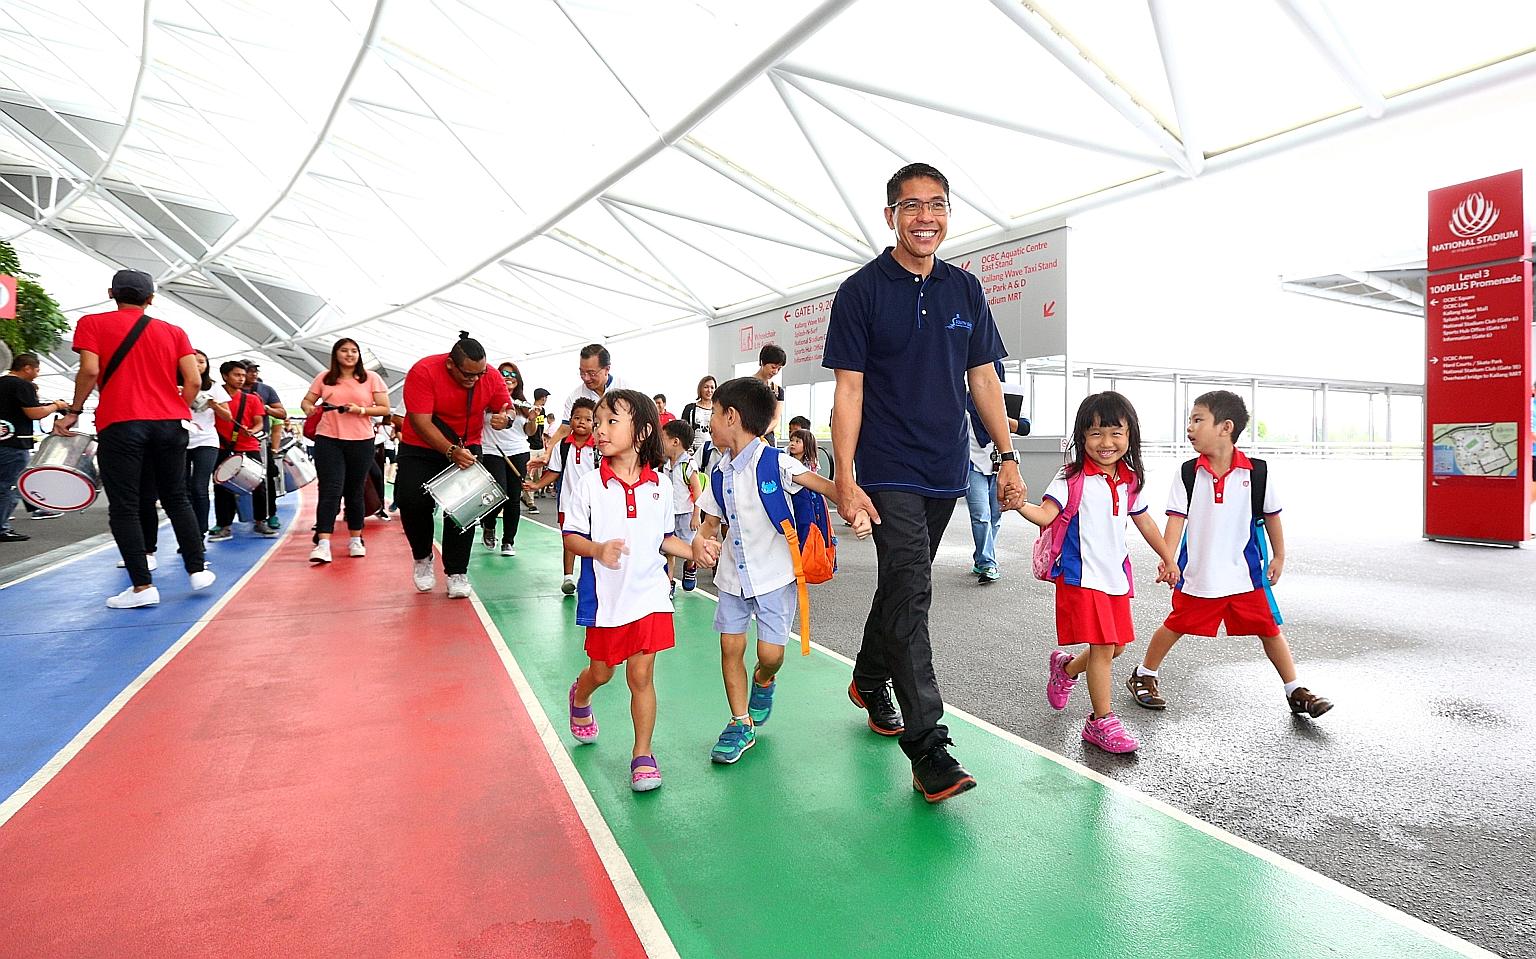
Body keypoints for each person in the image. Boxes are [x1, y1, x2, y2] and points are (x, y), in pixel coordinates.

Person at [822, 162, 1023, 803]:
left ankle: (868, 675)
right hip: (886, 468)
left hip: (946, 466)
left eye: (936, 205)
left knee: (901, 586)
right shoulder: (860, 292)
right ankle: (928, 748)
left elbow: (983, 378)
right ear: (890, 216)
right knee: (913, 590)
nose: (925, 217)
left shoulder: (965, 289)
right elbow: (848, 392)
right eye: (911, 206)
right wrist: (845, 479)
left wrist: (1007, 455)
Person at [1127, 390, 1335, 720]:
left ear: (1226, 427)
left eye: (1198, 420)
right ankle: (1144, 674)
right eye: (1190, 420)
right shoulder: (1188, 473)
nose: (1190, 427)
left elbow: (1272, 517)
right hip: (1200, 574)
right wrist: (1169, 560)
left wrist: (1279, 556)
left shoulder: (1257, 472)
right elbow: (1176, 520)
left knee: (1269, 629)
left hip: (1245, 574)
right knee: (1176, 624)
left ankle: (1294, 689)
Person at [693, 377, 859, 765]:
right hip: (732, 578)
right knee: (730, 647)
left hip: (774, 577)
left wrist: (857, 507)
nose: (709, 422)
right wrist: (702, 541)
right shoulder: (718, 471)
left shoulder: (776, 462)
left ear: (731, 416)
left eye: (713, 414)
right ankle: (740, 723)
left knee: (770, 654)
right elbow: (710, 522)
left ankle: (764, 678)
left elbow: (827, 487)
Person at [1017, 392, 1181, 754]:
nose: (1106, 442)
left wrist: (1168, 558)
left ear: (1129, 436)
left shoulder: (1129, 479)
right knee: (1104, 646)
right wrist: (1018, 504)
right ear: (1082, 437)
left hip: (1115, 576)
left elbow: (1145, 522)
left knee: (1116, 647)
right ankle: (1100, 721)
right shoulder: (1071, 477)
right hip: (1081, 576)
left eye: (1115, 433)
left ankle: (1066, 670)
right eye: (1096, 434)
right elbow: (1046, 515)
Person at [561, 390, 697, 793]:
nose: (600, 430)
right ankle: (580, 695)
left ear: (642, 432)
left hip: (650, 595)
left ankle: (643, 754)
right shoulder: (590, 485)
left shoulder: (661, 486)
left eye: (610, 422)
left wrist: (695, 551)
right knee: (603, 672)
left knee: (641, 675)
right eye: (597, 422)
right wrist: (597, 550)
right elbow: (571, 537)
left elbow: (665, 538)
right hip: (607, 600)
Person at [53, 269, 214, 607]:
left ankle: (142, 587)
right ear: (150, 299)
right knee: (177, 497)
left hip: (121, 422)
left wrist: (75, 410)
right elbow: (194, 381)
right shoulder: (174, 331)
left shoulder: (92, 324)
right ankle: (197, 569)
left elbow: (91, 370)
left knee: (125, 504)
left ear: (111, 293)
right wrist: (176, 407)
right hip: (169, 424)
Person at [395, 332, 512, 597]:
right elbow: (421, 422)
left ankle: (457, 571)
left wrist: (506, 418)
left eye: (480, 373)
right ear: (451, 364)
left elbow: (506, 408)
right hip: (421, 446)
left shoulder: (490, 376)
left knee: (465, 509)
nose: (475, 379)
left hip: (467, 444)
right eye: (468, 374)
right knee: (411, 501)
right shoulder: (423, 371)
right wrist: (450, 451)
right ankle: (422, 556)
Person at [300, 338, 390, 564]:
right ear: (335, 354)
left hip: (361, 441)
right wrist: (309, 408)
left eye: (354, 351)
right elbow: (307, 401)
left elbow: (384, 408)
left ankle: (356, 539)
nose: (349, 355)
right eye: (344, 350)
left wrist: (361, 410)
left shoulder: (371, 378)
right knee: (330, 490)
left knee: (355, 490)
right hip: (328, 439)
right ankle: (323, 543)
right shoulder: (324, 377)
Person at [524, 397, 599, 595]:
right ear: (570, 420)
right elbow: (554, 472)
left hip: (595, 506)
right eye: (577, 418)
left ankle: (589, 577)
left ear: (595, 423)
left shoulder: (599, 447)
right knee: (569, 540)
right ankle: (568, 577)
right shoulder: (562, 446)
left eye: (588, 419)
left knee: (592, 540)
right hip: (568, 504)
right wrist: (536, 485)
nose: (582, 422)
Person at [0, 352, 70, 541]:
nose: (37, 374)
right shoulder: (22, 385)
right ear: (27, 368)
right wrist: (56, 406)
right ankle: (1, 528)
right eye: (37, 370)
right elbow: (34, 413)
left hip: (3, 439)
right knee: (10, 486)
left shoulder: (2, 382)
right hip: (15, 443)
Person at [963, 364, 1020, 585]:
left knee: (996, 516)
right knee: (980, 515)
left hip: (1000, 465)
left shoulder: (1008, 398)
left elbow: (1025, 426)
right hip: (971, 464)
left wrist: (1000, 420)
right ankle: (988, 562)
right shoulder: (962, 398)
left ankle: (982, 557)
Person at [209, 360, 273, 541]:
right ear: (225, 376)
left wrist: (252, 430)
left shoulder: (252, 399)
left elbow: (259, 423)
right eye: (237, 375)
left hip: (248, 446)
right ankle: (224, 525)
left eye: (243, 375)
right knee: (221, 486)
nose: (241, 379)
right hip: (222, 446)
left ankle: (261, 521)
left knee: (258, 484)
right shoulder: (213, 398)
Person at [479, 361, 536, 557]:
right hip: (491, 451)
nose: (508, 377)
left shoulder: (523, 404)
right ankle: (489, 525)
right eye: (503, 373)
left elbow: (530, 432)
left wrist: (532, 419)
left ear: (518, 380)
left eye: (512, 374)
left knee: (513, 498)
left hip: (518, 452)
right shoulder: (487, 399)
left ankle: (508, 541)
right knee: (498, 494)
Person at [535, 343, 627, 461]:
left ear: (607, 369)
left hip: (622, 456)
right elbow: (564, 429)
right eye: (582, 372)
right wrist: (547, 453)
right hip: (590, 459)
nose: (586, 378)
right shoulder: (575, 396)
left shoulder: (625, 389)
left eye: (592, 373)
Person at [241, 360, 287, 533]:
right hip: (232, 441)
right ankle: (225, 522)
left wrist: (266, 408)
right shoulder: (228, 391)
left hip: (259, 442)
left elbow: (282, 414)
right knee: (225, 482)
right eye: (249, 371)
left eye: (255, 371)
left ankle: (269, 514)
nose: (253, 374)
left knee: (265, 479)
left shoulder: (266, 390)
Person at [659, 419, 698, 597]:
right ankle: (668, 582)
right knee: (668, 550)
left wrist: (696, 515)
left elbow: (697, 490)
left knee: (688, 547)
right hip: (669, 514)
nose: (660, 443)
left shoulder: (688, 464)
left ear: (675, 442)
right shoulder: (664, 464)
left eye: (663, 439)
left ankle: (690, 566)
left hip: (686, 515)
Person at [680, 376, 716, 475]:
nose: (709, 390)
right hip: (693, 452)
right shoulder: (690, 409)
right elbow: (683, 431)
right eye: (706, 387)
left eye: (712, 387)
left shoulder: (718, 409)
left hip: (711, 452)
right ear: (700, 389)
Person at [753, 345, 787, 447]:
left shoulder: (777, 391)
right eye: (773, 367)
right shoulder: (746, 385)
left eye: (779, 368)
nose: (775, 371)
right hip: (747, 436)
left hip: (766, 438)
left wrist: (761, 433)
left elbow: (775, 419)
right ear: (762, 362)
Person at [523, 387, 550, 511]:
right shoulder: (529, 409)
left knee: (538, 476)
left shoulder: (543, 411)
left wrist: (544, 444)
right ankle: (531, 502)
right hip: (530, 446)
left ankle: (525, 496)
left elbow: (541, 429)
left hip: (540, 446)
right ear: (542, 397)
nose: (546, 400)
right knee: (529, 474)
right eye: (545, 397)